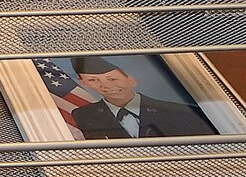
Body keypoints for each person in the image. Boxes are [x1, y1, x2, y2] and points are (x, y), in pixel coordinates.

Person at [68, 57, 211, 140]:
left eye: (112, 79)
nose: (105, 86)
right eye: (93, 80)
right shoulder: (83, 115)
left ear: (131, 80)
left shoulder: (180, 112)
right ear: (83, 83)